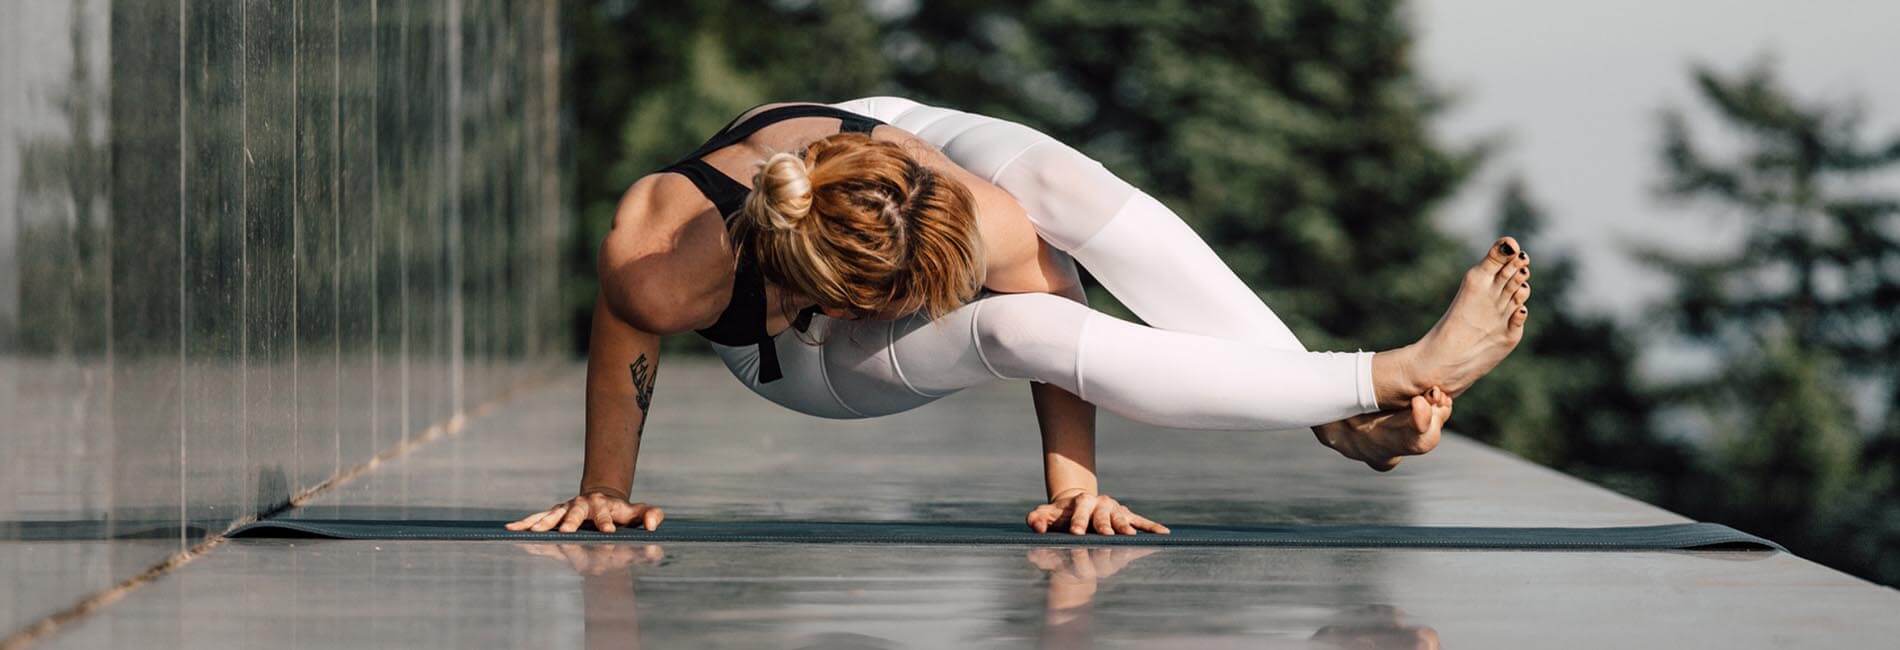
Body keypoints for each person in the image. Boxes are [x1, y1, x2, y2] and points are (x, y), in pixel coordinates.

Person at [506, 97, 1530, 536]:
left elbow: (1051, 288)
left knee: (1052, 182)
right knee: (1009, 330)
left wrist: (1072, 481)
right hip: (797, 362)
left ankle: (1338, 410)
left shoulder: (957, 205)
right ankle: (1372, 376)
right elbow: (618, 346)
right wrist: (603, 489)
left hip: (884, 144)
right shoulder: (662, 260)